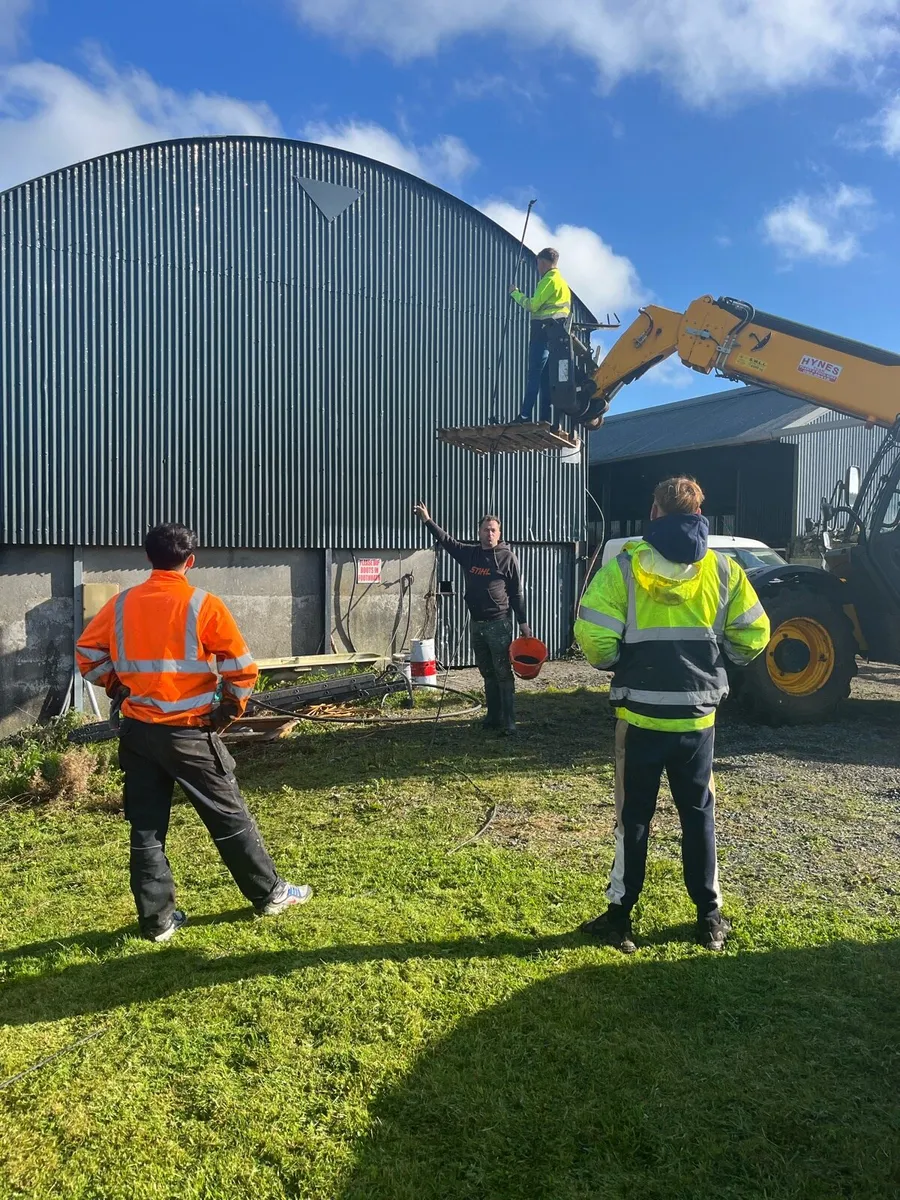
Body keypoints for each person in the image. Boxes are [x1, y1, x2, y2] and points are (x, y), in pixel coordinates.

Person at [76, 522, 311, 942]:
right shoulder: (204, 604)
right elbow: (242, 669)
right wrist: (227, 713)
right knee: (228, 816)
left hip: (138, 733)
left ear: (148, 559)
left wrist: (117, 685)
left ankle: (157, 922)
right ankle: (270, 893)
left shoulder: (121, 604)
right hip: (189, 734)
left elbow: (88, 654)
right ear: (191, 561)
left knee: (146, 829)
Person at [574, 477, 770, 953]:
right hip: (697, 724)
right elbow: (753, 635)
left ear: (655, 510)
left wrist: (620, 663)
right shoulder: (725, 571)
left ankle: (620, 918)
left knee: (634, 818)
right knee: (698, 816)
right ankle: (709, 917)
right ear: (699, 511)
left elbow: (595, 641)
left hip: (640, 720)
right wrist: (718, 661)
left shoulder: (623, 568)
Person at [414, 503, 531, 736]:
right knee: (486, 670)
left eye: (493, 530)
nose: (490, 534)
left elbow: (517, 592)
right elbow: (447, 541)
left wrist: (523, 623)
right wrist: (427, 520)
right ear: (479, 532)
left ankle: (509, 722)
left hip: (499, 623)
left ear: (500, 533)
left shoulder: (507, 558)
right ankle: (493, 716)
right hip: (477, 624)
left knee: (502, 672)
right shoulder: (470, 555)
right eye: (486, 529)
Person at [509, 247, 572, 424]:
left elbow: (533, 305)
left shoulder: (548, 280)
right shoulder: (563, 284)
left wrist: (515, 293)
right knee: (547, 379)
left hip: (542, 334)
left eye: (538, 264)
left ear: (543, 263)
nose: (538, 269)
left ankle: (524, 416)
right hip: (556, 336)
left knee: (534, 375)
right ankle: (545, 418)